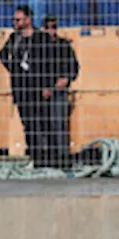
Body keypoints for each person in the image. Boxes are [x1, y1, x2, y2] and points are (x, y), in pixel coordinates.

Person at [0, 6, 54, 165]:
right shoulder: (14, 38)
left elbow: (49, 64)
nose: (15, 23)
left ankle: (47, 156)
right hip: (21, 87)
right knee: (28, 123)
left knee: (43, 122)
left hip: (38, 86)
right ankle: (34, 155)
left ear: (28, 20)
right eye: (14, 20)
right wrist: (14, 68)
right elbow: (3, 54)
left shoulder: (41, 38)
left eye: (18, 19)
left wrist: (47, 85)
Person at [40, 15, 79, 165]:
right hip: (42, 92)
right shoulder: (39, 47)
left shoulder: (64, 46)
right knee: (43, 125)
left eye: (54, 27)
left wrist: (67, 79)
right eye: (48, 27)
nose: (51, 31)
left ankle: (63, 157)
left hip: (59, 92)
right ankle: (46, 157)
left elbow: (74, 67)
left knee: (59, 124)